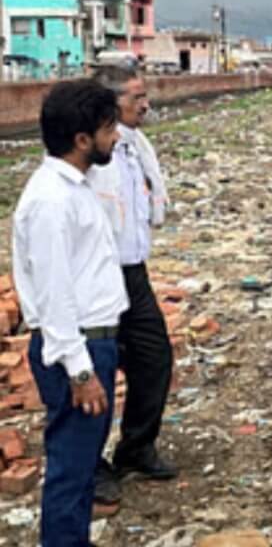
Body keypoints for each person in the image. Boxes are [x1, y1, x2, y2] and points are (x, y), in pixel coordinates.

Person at [13, 79, 127, 546]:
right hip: (76, 349)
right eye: (108, 129)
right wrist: (81, 372)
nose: (116, 137)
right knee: (71, 466)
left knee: (81, 465)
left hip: (93, 342)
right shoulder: (51, 201)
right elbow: (54, 293)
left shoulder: (75, 187)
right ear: (82, 139)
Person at [86, 66, 178, 510]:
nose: (145, 105)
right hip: (97, 276)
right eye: (136, 97)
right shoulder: (91, 151)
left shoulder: (136, 145)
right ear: (110, 102)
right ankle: (91, 465)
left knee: (154, 357)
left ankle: (136, 447)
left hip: (133, 274)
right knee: (98, 370)